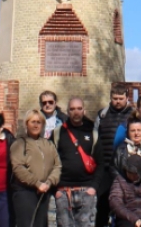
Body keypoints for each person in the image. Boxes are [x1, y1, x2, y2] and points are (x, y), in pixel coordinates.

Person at [53, 97, 102, 227]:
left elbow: (101, 163)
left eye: (79, 109)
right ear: (67, 111)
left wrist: (94, 187)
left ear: (84, 111)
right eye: (72, 109)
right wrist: (55, 189)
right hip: (63, 191)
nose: (76, 112)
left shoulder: (93, 132)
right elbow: (50, 162)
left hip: (86, 190)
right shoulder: (58, 132)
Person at [11, 109, 62, 227]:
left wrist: (48, 183)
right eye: (33, 122)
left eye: (39, 122)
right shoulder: (19, 143)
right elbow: (18, 167)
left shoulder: (49, 144)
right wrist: (37, 183)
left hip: (44, 192)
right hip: (25, 192)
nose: (36, 125)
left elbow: (57, 166)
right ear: (26, 124)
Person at [94, 86, 134, 227]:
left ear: (127, 98)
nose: (117, 102)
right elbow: (95, 138)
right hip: (105, 167)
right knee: (102, 205)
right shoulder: (102, 115)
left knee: (125, 206)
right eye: (115, 99)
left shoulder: (133, 116)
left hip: (125, 169)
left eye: (121, 99)